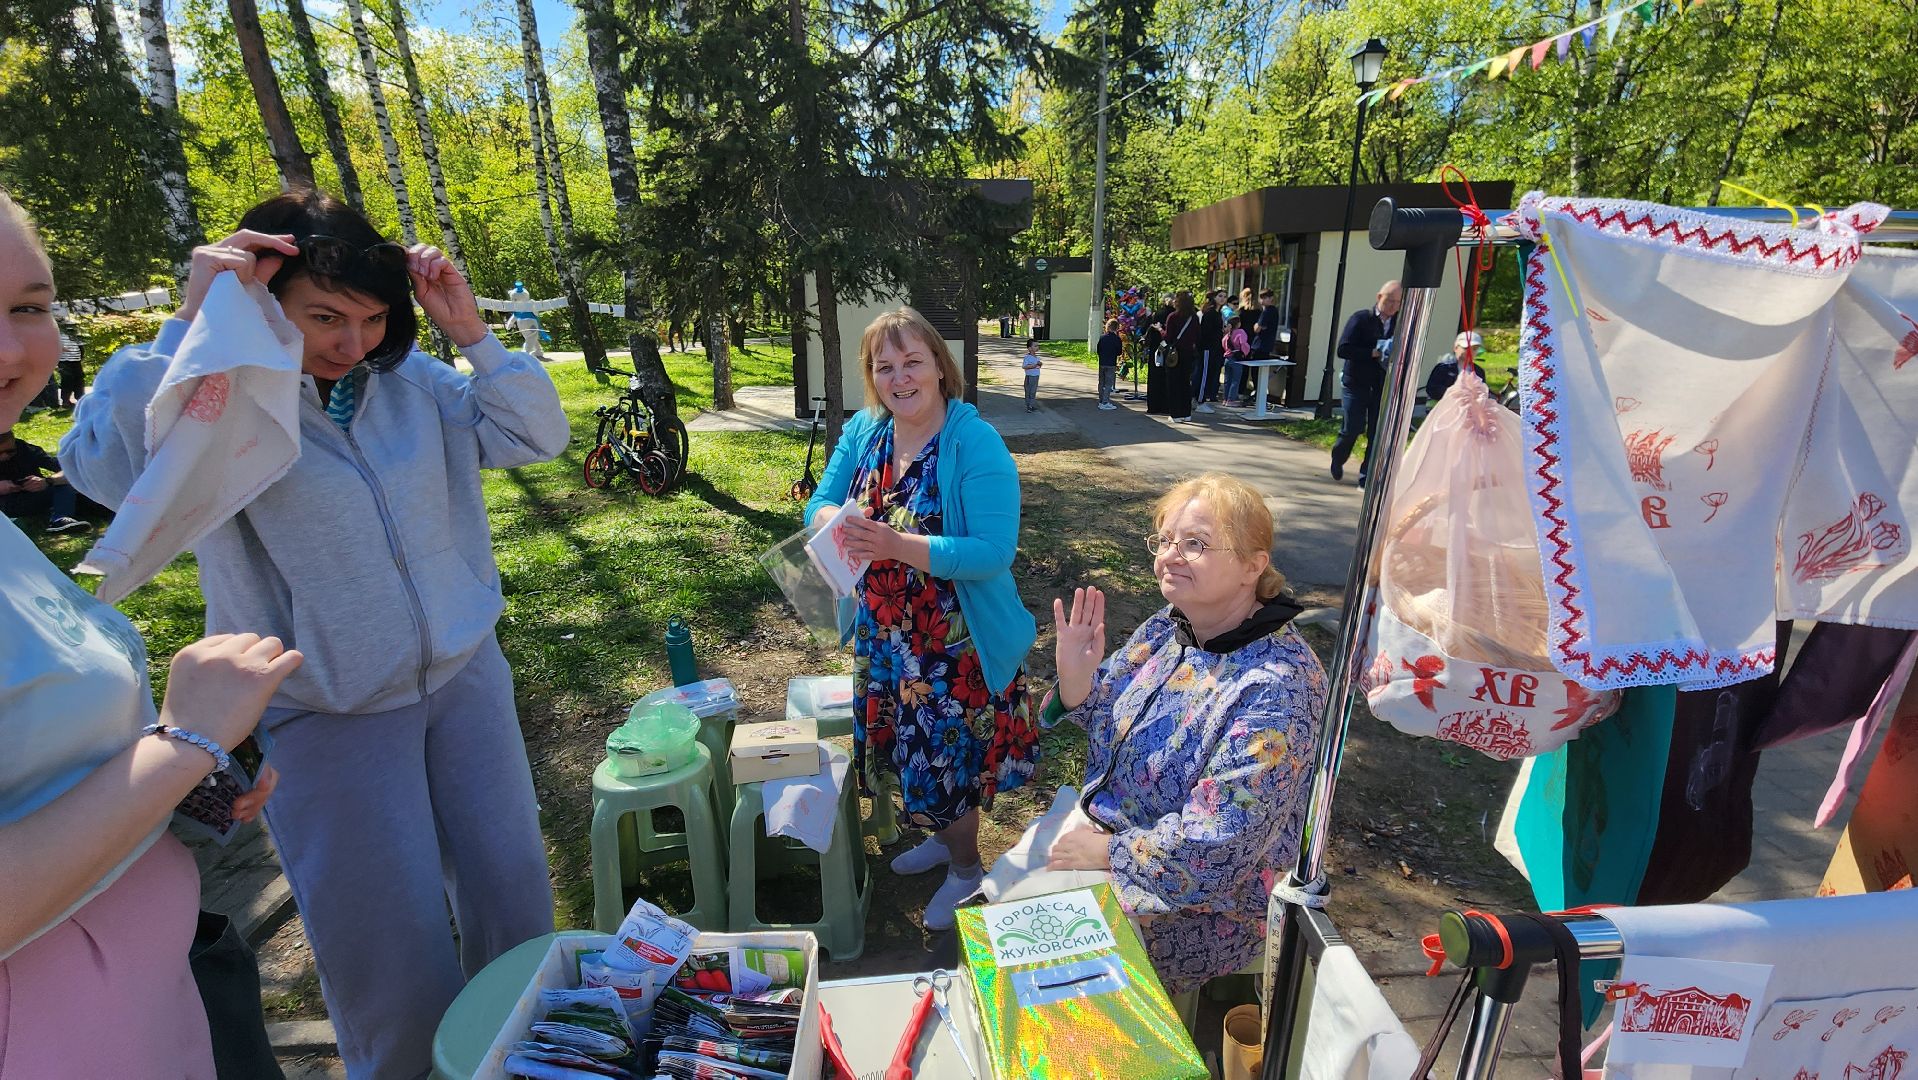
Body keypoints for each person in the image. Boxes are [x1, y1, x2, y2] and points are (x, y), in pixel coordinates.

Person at [61, 189, 567, 1079]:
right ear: (263, 300)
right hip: (325, 710)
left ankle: (533, 1060)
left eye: (371, 317)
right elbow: (100, 467)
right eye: (324, 316)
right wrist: (189, 326)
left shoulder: (411, 383)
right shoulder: (224, 396)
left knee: (514, 899)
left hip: (465, 681)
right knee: (389, 950)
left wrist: (474, 335)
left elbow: (536, 434)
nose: (350, 343)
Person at [0, 186, 303, 1078]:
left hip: (153, 1004)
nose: (12, 350)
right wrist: (185, 742)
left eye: (29, 306)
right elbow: (129, 459)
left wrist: (179, 775)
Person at [1044, 472, 1328, 1011]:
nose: (1171, 556)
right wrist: (1076, 679)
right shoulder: (1171, 626)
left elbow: (1221, 843)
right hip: (1113, 839)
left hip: (1208, 906)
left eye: (1195, 543)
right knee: (1007, 930)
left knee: (1050, 974)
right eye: (1166, 540)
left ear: (1253, 566)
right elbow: (1111, 717)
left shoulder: (1276, 687)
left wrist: (1109, 852)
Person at [805, 307, 1039, 931]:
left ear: (940, 365)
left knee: (949, 759)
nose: (899, 377)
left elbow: (993, 551)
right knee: (914, 754)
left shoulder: (974, 441)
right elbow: (822, 498)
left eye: (912, 362)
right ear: (872, 377)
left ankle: (967, 870)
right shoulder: (865, 432)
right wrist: (830, 521)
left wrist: (894, 544)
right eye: (885, 366)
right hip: (885, 638)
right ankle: (944, 840)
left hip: (953, 647)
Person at [1329, 279, 1403, 487]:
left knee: (1376, 432)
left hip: (1381, 384)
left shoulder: (1399, 322)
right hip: (1356, 382)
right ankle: (1338, 457)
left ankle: (1366, 476)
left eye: (1397, 302)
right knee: (1353, 427)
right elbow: (1343, 349)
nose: (1393, 307)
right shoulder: (1361, 319)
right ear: (1379, 297)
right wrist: (1371, 352)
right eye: (1390, 301)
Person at [0, 428, 93, 533]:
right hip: (5, 505)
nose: (4, 456)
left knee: (68, 486)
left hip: (33, 496)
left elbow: (69, 468)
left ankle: (60, 519)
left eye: (10, 451)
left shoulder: (24, 449)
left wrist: (47, 481)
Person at [1148, 290, 1198, 422]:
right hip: (1188, 353)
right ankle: (1186, 413)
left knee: (1173, 383)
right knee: (1185, 383)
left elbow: (1168, 336)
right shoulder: (1194, 317)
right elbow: (1197, 335)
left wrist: (1160, 329)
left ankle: (1175, 414)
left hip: (1174, 354)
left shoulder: (1173, 317)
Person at [1425, 330, 1484, 405]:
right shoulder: (1444, 368)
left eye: (1474, 349)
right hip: (1444, 409)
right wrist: (1454, 392)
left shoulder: (1478, 371)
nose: (1470, 352)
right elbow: (1432, 389)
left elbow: (1483, 391)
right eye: (1466, 348)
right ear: (1455, 348)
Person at [1194, 293, 1223, 413]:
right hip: (1207, 348)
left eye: (1224, 296)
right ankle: (1200, 401)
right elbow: (1206, 332)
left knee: (1208, 373)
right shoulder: (1210, 313)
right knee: (1204, 374)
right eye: (1220, 296)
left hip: (1214, 348)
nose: (1223, 298)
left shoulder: (1217, 314)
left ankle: (1198, 399)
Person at [507, 279, 545, 359]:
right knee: (531, 337)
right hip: (528, 322)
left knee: (531, 337)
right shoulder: (529, 304)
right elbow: (536, 313)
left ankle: (532, 351)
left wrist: (510, 324)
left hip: (525, 323)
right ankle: (532, 351)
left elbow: (515, 316)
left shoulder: (524, 305)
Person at [1221, 314, 1251, 405]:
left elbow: (1223, 343)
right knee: (1235, 380)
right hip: (1236, 359)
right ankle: (1231, 399)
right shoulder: (1240, 332)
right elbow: (1243, 343)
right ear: (1238, 324)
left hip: (1227, 358)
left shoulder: (1227, 334)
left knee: (1227, 380)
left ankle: (1225, 399)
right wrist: (1246, 352)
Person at [1095, 318, 1122, 410]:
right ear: (1116, 328)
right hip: (1111, 363)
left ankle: (1101, 400)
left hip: (1102, 362)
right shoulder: (1117, 339)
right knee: (1108, 383)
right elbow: (1119, 352)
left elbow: (1098, 350)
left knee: (1101, 382)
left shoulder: (1102, 337)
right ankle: (1105, 402)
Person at [55, 318, 84, 406]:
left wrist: (80, 357)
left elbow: (81, 347)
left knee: (76, 379)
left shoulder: (75, 335)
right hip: (65, 361)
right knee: (68, 381)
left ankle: (78, 398)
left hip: (73, 360)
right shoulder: (58, 335)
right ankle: (66, 400)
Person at [1021, 337, 1042, 412]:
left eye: (1038, 346)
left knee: (1033, 391)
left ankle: (1031, 405)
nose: (1037, 347)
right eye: (1035, 346)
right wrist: (1033, 366)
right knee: (1029, 391)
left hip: (1036, 376)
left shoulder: (1037, 357)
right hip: (1030, 377)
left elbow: (1038, 366)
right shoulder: (1027, 357)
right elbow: (1024, 366)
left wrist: (1040, 364)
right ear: (1029, 348)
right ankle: (1028, 406)